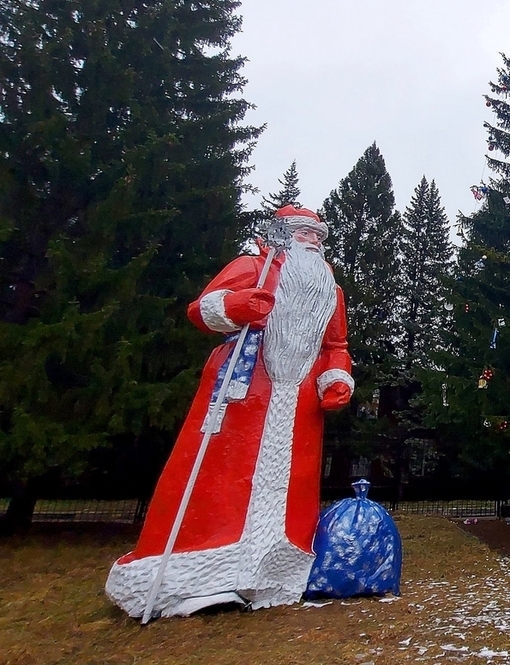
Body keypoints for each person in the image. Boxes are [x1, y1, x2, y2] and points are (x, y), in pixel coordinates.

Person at [106, 205, 355, 617]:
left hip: (299, 401)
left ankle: (274, 574)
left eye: (317, 235)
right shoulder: (252, 267)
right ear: (282, 235)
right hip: (242, 389)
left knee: (292, 487)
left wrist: (336, 378)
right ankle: (197, 575)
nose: (313, 241)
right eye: (303, 233)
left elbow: (336, 346)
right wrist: (237, 306)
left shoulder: (329, 289)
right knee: (218, 479)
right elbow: (202, 309)